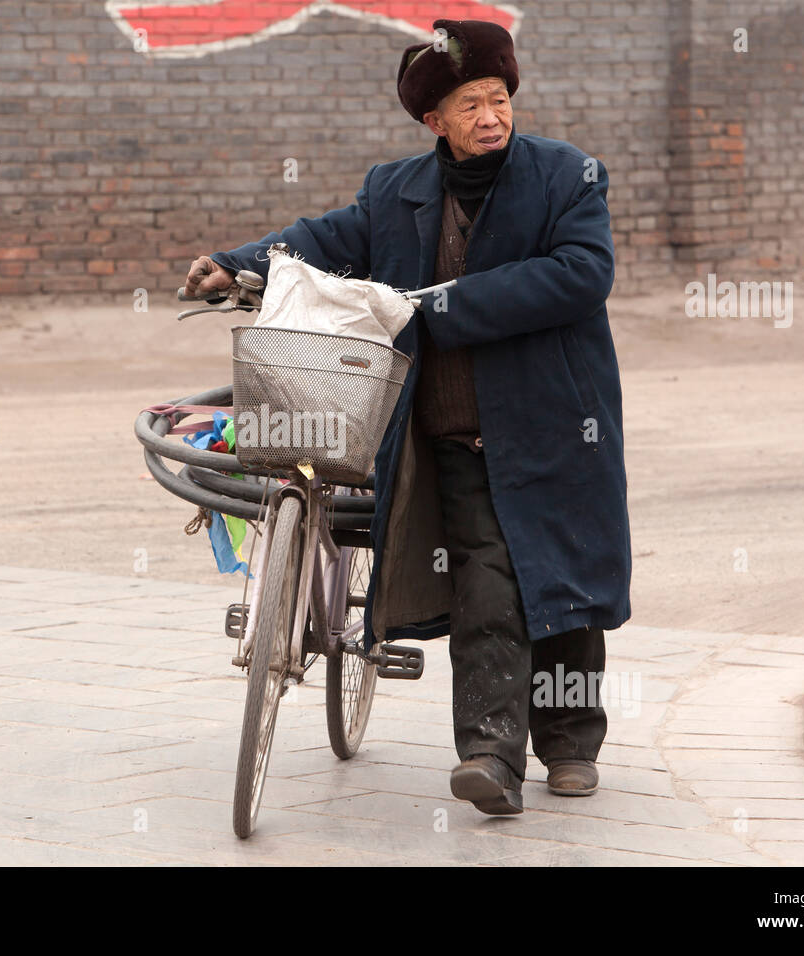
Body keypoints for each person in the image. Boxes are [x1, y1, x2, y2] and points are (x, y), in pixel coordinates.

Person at [184, 18, 631, 816]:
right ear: (435, 122)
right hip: (452, 432)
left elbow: (581, 275)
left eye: (499, 99)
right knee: (489, 579)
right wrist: (237, 261)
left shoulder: (568, 177)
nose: (490, 116)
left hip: (554, 424)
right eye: (470, 105)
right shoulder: (396, 193)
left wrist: (442, 304)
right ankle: (492, 756)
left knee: (560, 586)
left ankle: (569, 738)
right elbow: (323, 241)